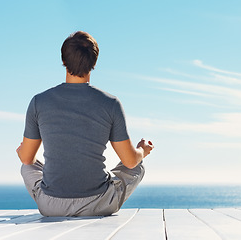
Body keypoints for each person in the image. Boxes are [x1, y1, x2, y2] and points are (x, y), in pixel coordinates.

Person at [16, 31, 154, 217]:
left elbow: (27, 159)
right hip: (98, 203)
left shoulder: (38, 102)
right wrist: (142, 151)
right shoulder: (111, 103)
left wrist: (22, 151)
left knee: (27, 167)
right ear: (94, 62)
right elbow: (130, 161)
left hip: (51, 206)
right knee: (138, 166)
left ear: (63, 61)